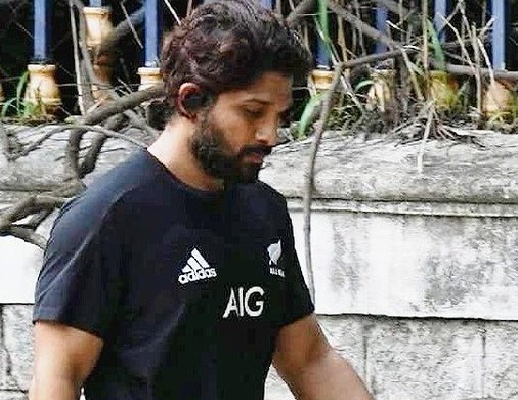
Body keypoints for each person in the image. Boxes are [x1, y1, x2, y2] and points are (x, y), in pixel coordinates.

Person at [29, 1, 373, 399]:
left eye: (279, 116)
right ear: (190, 101)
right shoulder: (107, 218)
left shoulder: (264, 211)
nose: (271, 134)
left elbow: (310, 360)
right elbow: (58, 378)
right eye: (253, 112)